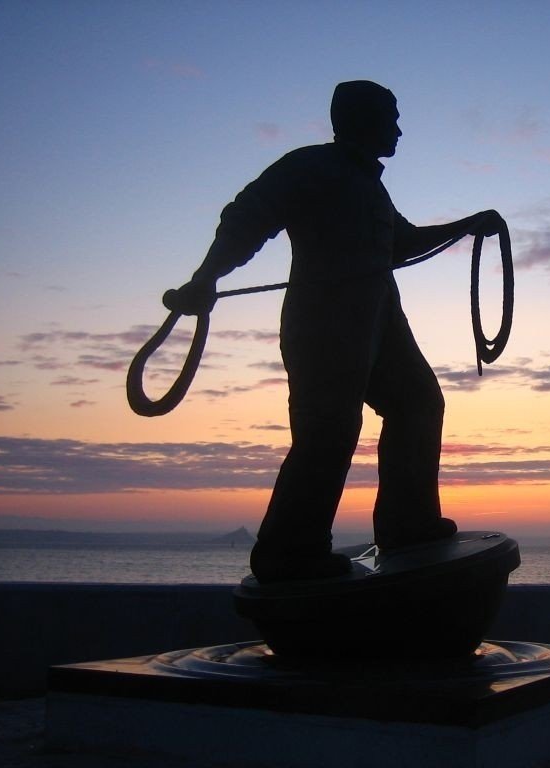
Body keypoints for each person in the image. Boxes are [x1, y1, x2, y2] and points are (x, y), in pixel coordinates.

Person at [171, 81, 504, 582]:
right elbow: (246, 219)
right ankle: (287, 549)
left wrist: (467, 224)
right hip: (324, 321)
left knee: (417, 402)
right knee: (328, 430)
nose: (398, 129)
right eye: (390, 118)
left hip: (379, 321)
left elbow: (402, 243)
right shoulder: (309, 167)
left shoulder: (371, 185)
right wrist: (205, 278)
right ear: (359, 120)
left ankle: (407, 525)